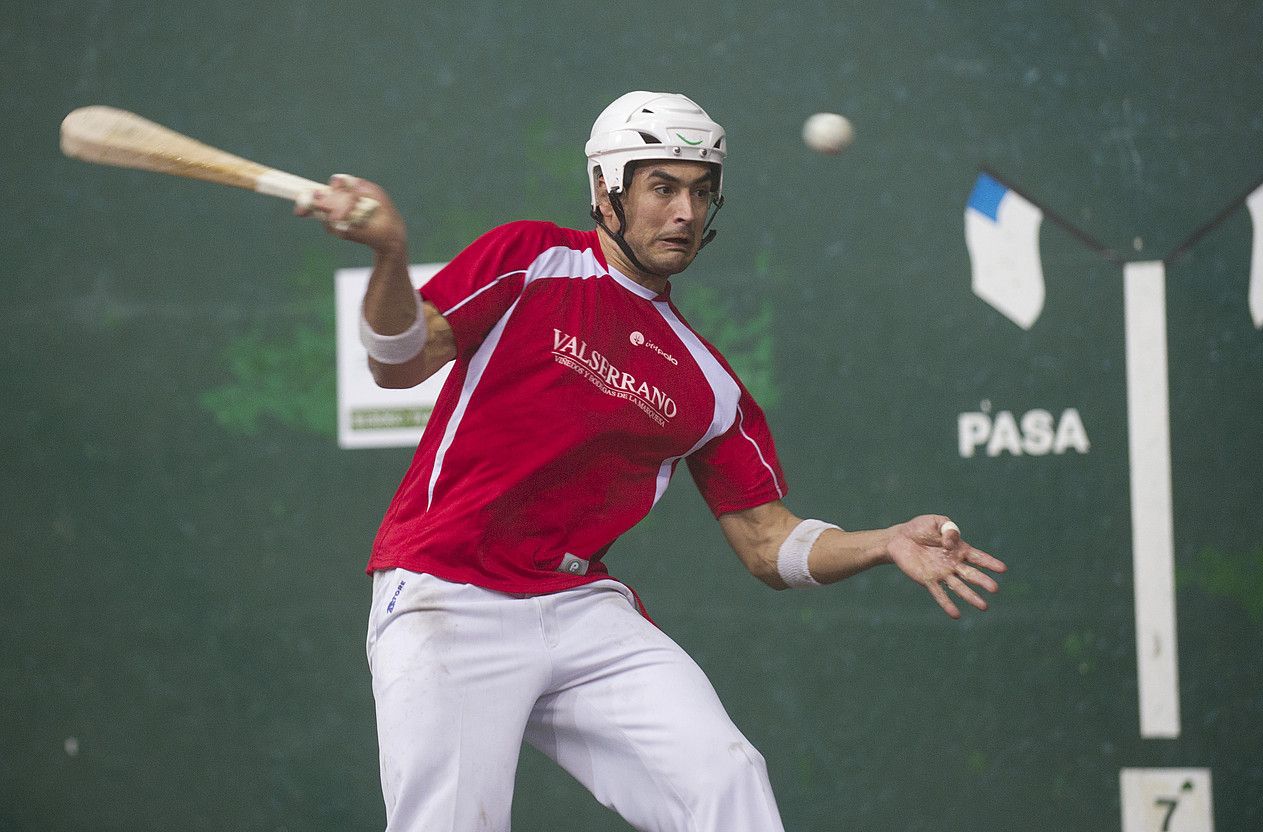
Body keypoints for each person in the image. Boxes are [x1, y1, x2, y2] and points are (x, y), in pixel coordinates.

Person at [300, 91, 1006, 832]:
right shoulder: (532, 259)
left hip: (576, 608)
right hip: (447, 591)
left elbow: (770, 544)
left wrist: (885, 543)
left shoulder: (708, 381)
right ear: (607, 190)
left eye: (701, 193)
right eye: (663, 187)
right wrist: (390, 254)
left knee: (726, 777)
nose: (686, 213)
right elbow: (399, 362)